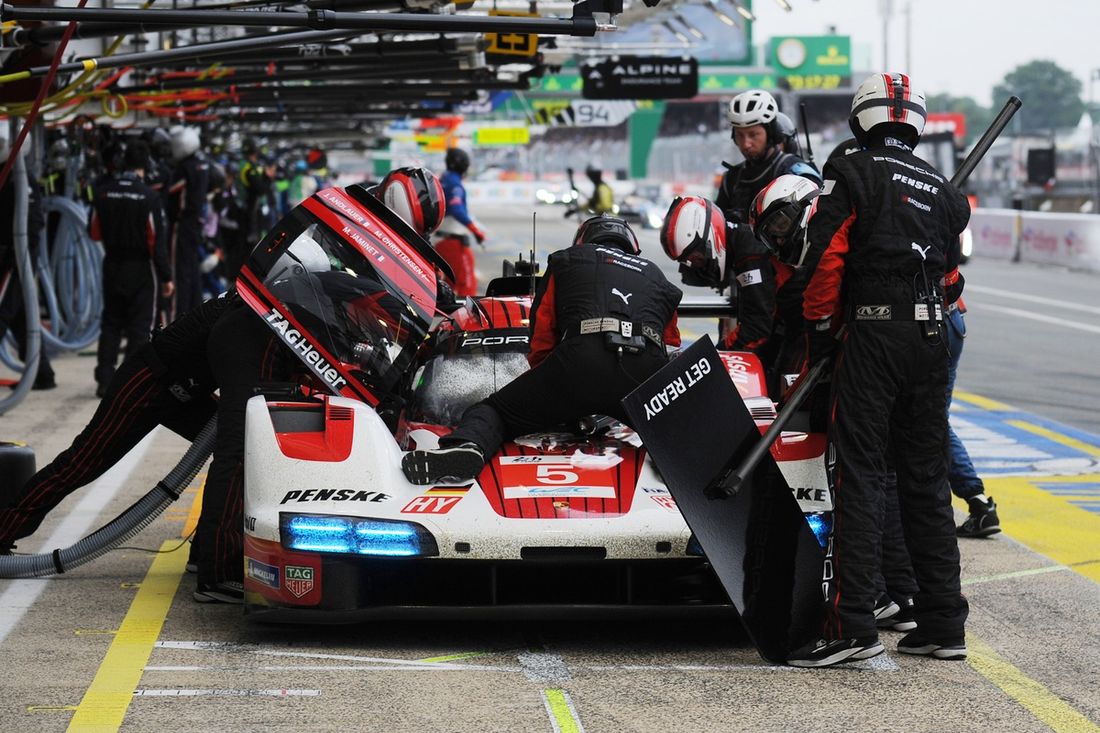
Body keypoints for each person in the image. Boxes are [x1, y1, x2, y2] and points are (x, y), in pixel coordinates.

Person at [786, 73, 972, 668]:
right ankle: (943, 623)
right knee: (923, 479)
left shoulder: (853, 169)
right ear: (915, 121)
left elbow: (823, 263)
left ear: (860, 119)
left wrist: (819, 335)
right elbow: (952, 280)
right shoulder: (946, 191)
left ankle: (853, 627)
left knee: (861, 474)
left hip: (875, 333)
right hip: (932, 337)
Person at [402, 215, 682, 485]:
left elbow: (542, 337)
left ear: (582, 241)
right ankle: (680, 454)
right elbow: (670, 344)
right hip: (643, 371)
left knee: (494, 411)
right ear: (633, 248)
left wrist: (552, 385)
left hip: (581, 362)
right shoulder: (657, 277)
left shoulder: (567, 261)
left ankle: (468, 445)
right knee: (672, 425)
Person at [713, 90, 821, 356]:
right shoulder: (732, 179)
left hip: (790, 292)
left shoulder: (795, 171)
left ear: (771, 132)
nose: (746, 143)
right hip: (744, 288)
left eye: (754, 135)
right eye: (740, 135)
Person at [89, 140, 174, 396]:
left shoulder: (103, 192)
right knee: (140, 326)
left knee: (111, 322)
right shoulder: (149, 197)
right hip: (141, 268)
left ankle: (105, 379)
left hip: (112, 263)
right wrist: (166, 277)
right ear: (145, 166)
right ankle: (128, 382)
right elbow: (156, 242)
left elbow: (93, 232)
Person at [0, 140, 56, 390]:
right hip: (13, 254)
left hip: (16, 257)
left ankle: (41, 374)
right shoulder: (8, 173)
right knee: (22, 316)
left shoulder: (20, 178)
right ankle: (42, 374)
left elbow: (32, 226)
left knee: (3, 309)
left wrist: (18, 255)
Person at [946, 299, 1000, 537]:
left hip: (923, 320)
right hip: (949, 316)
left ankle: (977, 501)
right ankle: (977, 501)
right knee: (934, 420)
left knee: (929, 421)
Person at [165, 126, 210, 319]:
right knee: (193, 270)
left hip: (182, 224)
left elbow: (171, 193)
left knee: (179, 273)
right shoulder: (203, 164)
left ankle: (178, 318)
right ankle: (195, 315)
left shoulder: (184, 169)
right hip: (196, 222)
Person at [435, 148, 486, 297]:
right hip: (453, 242)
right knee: (467, 286)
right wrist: (475, 230)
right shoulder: (454, 183)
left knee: (449, 286)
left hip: (440, 240)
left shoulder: (443, 179)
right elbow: (457, 209)